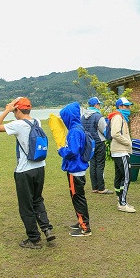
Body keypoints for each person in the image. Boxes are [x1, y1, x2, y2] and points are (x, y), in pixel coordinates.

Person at [0, 97, 55, 249]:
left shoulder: (18, 125)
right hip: (40, 167)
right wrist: (14, 106)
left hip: (24, 171)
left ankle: (34, 239)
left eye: (14, 111)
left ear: (17, 109)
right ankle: (46, 229)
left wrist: (7, 109)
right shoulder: (37, 121)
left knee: (26, 206)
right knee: (37, 199)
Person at [58, 101, 93, 237]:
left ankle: (85, 227)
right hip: (79, 168)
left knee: (77, 197)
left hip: (75, 169)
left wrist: (61, 150)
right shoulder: (79, 128)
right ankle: (81, 222)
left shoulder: (74, 131)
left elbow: (72, 150)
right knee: (78, 196)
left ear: (69, 116)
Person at [108, 97, 136, 213]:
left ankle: (120, 198)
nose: (128, 108)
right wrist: (128, 142)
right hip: (121, 151)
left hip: (119, 151)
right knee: (127, 177)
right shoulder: (118, 117)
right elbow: (115, 134)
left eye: (129, 106)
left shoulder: (121, 117)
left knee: (119, 176)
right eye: (126, 106)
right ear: (120, 106)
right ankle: (122, 203)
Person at [81, 97, 112, 194]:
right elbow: (104, 130)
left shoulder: (82, 117)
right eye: (99, 104)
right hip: (99, 142)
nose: (99, 106)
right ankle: (101, 188)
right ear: (95, 105)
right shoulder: (98, 116)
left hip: (89, 143)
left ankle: (94, 187)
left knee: (93, 164)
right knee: (100, 164)